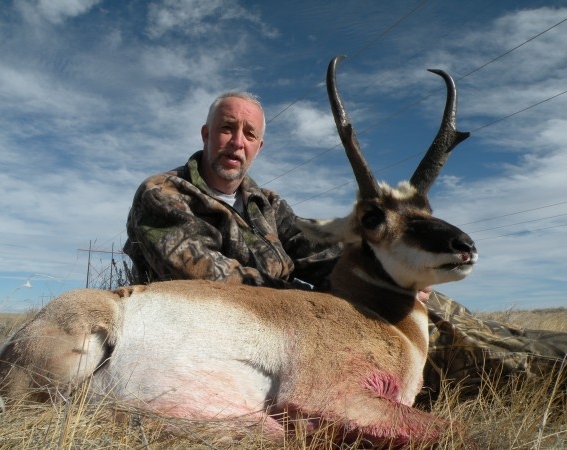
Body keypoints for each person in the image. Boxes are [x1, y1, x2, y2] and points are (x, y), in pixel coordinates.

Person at [124, 91, 566, 399]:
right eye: (226, 129)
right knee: (446, 355)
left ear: (259, 144)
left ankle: (545, 346)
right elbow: (204, 276)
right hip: (232, 333)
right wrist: (318, 304)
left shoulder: (268, 204)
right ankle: (547, 377)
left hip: (299, 323)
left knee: (429, 307)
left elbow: (319, 254)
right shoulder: (164, 194)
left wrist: (390, 275)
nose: (237, 142)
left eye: (249, 133)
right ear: (205, 134)